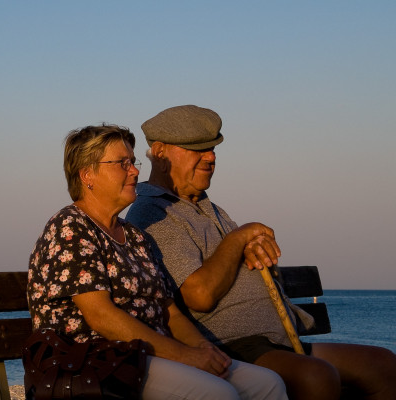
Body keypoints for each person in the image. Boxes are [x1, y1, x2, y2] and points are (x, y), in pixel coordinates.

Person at [126, 104, 396, 400]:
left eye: (213, 148)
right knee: (315, 376)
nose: (211, 157)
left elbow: (231, 262)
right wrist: (239, 238)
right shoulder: (154, 212)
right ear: (162, 153)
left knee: (383, 364)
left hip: (276, 339)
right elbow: (199, 295)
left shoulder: (207, 207)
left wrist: (250, 251)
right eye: (198, 149)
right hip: (231, 345)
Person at [27, 124, 288, 399]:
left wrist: (203, 350)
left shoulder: (135, 237)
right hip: (98, 362)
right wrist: (185, 356)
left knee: (268, 384)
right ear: (87, 174)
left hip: (147, 354)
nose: (135, 171)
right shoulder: (70, 228)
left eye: (133, 161)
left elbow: (170, 311)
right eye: (122, 163)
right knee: (216, 393)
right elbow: (101, 315)